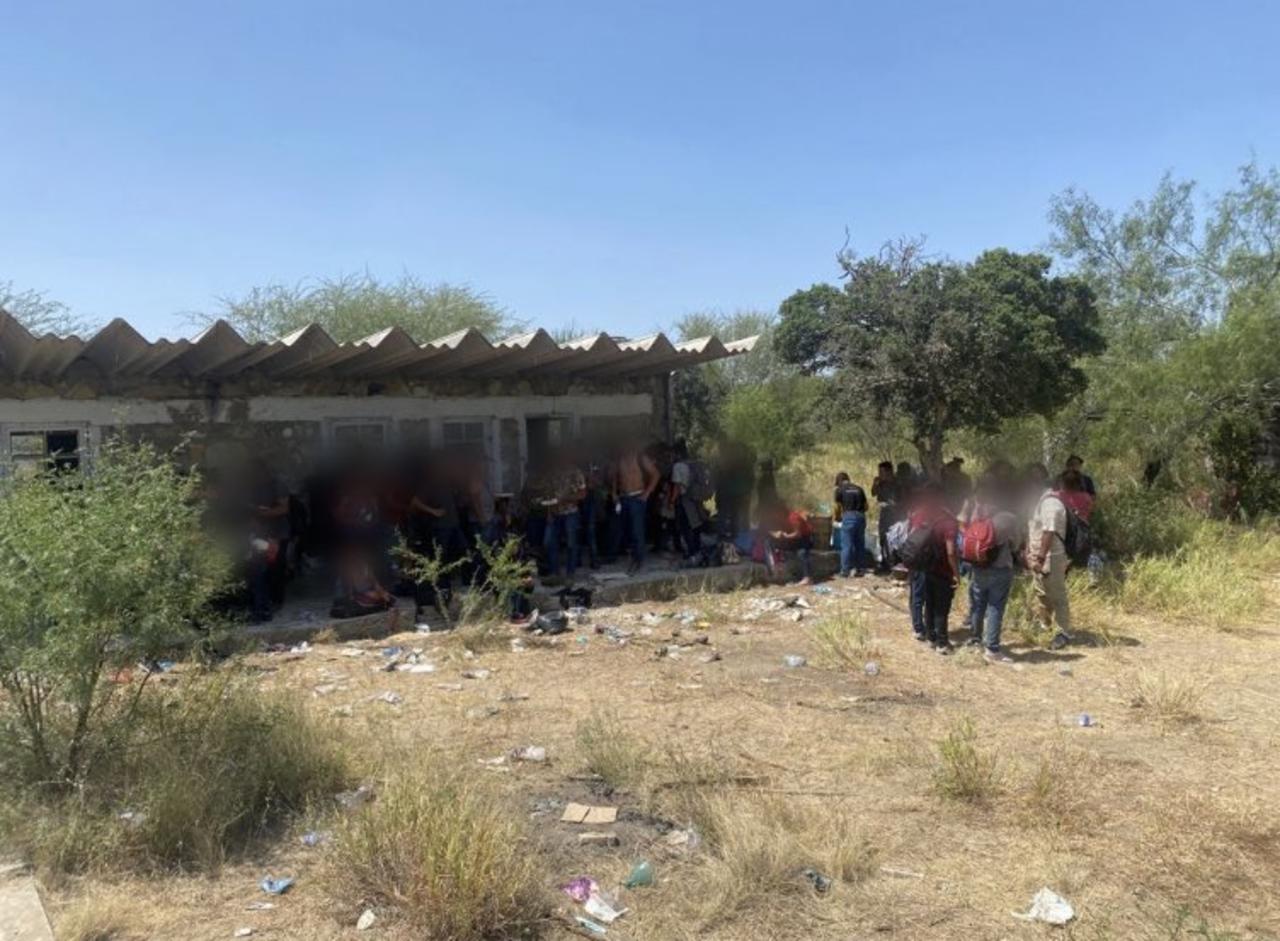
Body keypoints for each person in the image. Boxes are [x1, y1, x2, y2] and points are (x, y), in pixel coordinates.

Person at [965, 476, 1024, 662]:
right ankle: (992, 648)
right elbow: (1016, 545)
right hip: (1000, 568)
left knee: (977, 603)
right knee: (995, 607)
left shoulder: (977, 513)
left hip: (978, 565)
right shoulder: (1009, 518)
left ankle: (975, 639)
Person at [908, 482, 959, 654]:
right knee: (942, 607)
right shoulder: (948, 520)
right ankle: (942, 643)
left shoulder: (919, 514)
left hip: (923, 566)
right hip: (942, 568)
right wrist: (956, 573)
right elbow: (951, 551)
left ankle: (929, 636)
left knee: (928, 603)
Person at [1027, 473, 1075, 650]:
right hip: (1040, 557)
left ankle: (1063, 633)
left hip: (1051, 557)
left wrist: (1039, 557)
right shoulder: (1039, 502)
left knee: (1058, 595)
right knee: (1042, 593)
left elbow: (1049, 532)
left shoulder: (1050, 504)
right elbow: (1034, 528)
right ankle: (1045, 625)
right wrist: (1029, 553)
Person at [610, 442, 659, 574]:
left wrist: (647, 493)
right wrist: (614, 493)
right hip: (624, 498)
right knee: (622, 529)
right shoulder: (620, 459)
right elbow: (615, 477)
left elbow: (655, 474)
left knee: (637, 530)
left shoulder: (640, 458)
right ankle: (623, 555)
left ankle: (639, 560)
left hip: (637, 498)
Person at [543, 450, 586, 582]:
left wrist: (566, 498)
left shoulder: (576, 473)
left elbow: (582, 494)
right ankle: (554, 573)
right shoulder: (552, 473)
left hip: (570, 513)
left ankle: (570, 574)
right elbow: (549, 494)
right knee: (549, 543)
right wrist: (549, 513)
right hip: (555, 514)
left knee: (571, 544)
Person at [669, 439, 710, 562]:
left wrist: (671, 501)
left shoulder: (678, 466)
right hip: (696, 498)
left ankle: (691, 552)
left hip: (684, 500)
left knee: (685, 527)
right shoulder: (696, 464)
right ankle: (697, 549)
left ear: (677, 454)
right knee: (696, 524)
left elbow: (677, 486)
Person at [767, 502, 814, 585]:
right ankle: (778, 571)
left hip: (805, 539)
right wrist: (776, 533)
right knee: (773, 544)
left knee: (801, 553)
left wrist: (785, 536)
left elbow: (798, 534)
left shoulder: (793, 517)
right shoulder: (781, 519)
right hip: (793, 539)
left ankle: (807, 577)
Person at [833, 471, 869, 577]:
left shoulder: (839, 490)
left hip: (848, 517)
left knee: (846, 545)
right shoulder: (859, 489)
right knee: (859, 544)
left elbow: (837, 507)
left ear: (839, 481)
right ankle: (861, 569)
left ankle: (845, 571)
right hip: (861, 517)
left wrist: (837, 519)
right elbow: (866, 506)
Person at [870, 461, 899, 574]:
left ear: (889, 472)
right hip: (884, 513)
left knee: (894, 538)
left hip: (894, 514)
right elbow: (873, 493)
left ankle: (894, 563)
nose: (880, 474)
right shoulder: (880, 483)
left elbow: (902, 499)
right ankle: (885, 561)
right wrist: (875, 484)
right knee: (882, 537)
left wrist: (893, 504)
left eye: (882, 472)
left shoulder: (896, 483)